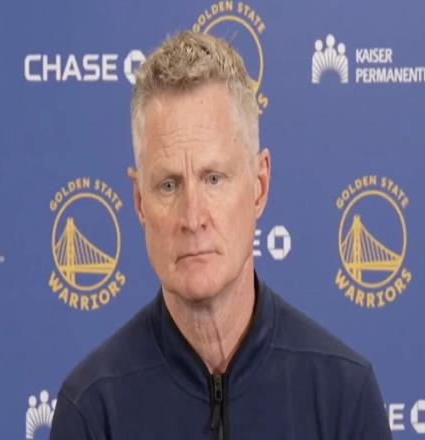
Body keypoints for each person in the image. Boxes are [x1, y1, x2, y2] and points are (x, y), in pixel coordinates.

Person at [50, 31, 392, 439]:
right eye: (169, 185)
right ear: (139, 201)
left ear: (259, 186)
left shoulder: (344, 396)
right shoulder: (91, 409)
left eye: (213, 179)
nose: (193, 217)